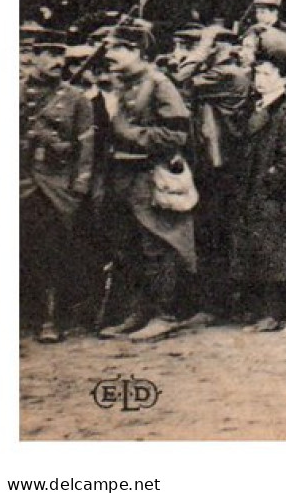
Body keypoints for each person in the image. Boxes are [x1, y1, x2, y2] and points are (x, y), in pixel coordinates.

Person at [94, 24, 196, 344]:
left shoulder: (159, 84)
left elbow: (177, 133)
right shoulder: (120, 84)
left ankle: (164, 314)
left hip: (147, 174)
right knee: (129, 247)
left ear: (138, 52)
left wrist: (128, 132)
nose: (110, 54)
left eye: (119, 48)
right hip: (121, 174)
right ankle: (139, 312)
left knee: (156, 246)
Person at [20, 38, 96, 343]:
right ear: (33, 56)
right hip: (20, 180)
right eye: (48, 54)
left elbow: (86, 145)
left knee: (51, 252)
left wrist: (79, 186)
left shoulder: (76, 98)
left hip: (55, 184)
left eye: (59, 55)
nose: (55, 61)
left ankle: (50, 319)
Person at [228, 44, 286, 331]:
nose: (260, 79)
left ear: (284, 79)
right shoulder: (253, 107)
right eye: (257, 73)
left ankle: (273, 313)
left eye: (268, 74)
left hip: (273, 195)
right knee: (253, 248)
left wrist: (268, 184)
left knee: (274, 252)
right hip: (250, 191)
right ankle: (255, 309)